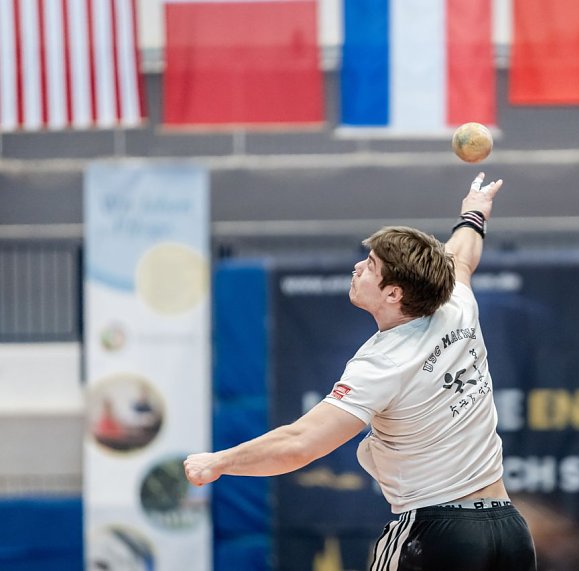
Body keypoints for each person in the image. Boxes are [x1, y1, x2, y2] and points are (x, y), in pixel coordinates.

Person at [184, 172, 537, 570]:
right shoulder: (456, 304)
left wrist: (220, 462)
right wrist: (473, 214)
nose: (357, 267)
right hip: (509, 532)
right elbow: (462, 256)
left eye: (370, 265)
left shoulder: (383, 362)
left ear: (393, 293)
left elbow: (300, 443)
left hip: (438, 535)